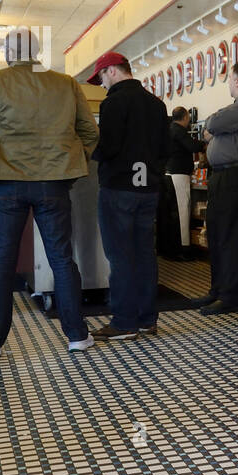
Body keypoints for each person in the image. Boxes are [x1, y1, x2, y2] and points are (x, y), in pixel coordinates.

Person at [0, 27, 100, 356]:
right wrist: (71, 164)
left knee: (0, 265)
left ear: (9, 53)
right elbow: (89, 132)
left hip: (7, 182)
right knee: (62, 260)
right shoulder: (66, 83)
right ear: (37, 51)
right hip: (54, 184)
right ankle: (77, 335)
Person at [88, 52, 169, 340]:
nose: (101, 83)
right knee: (145, 254)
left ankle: (124, 322)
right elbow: (163, 151)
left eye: (100, 77)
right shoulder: (157, 104)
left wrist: (90, 148)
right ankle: (148, 319)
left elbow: (108, 147)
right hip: (148, 190)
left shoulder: (114, 102)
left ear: (111, 71)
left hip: (118, 188)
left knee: (120, 256)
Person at [195, 61, 238, 315]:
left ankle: (231, 297)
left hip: (236, 175)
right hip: (225, 175)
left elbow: (213, 124)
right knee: (216, 233)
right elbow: (216, 128)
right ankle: (218, 290)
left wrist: (214, 125)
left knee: (229, 236)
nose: (228, 83)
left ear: (237, 81)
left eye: (228, 79)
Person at [165, 106, 204, 259]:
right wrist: (204, 143)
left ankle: (174, 247)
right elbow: (192, 146)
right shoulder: (179, 130)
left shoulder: (169, 129)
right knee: (182, 211)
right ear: (186, 117)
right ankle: (184, 248)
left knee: (176, 213)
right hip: (179, 174)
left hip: (170, 173)